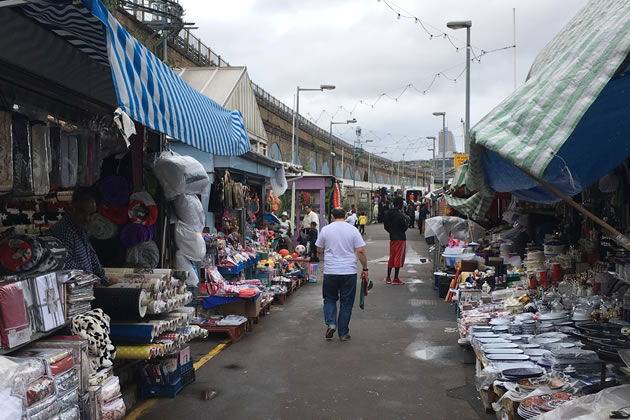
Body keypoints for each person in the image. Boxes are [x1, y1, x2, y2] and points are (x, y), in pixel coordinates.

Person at [315, 207, 367, 341]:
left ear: (332, 216)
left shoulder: (325, 229)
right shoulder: (353, 230)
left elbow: (319, 250)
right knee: (346, 302)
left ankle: (331, 323)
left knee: (329, 298)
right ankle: (343, 333)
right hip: (349, 271)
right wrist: (365, 269)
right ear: (345, 216)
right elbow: (360, 251)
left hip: (331, 271)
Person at [49, 188, 116, 286]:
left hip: (83, 287)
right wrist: (91, 279)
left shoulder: (80, 229)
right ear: (72, 208)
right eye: (82, 212)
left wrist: (103, 280)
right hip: (71, 291)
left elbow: (92, 258)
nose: (87, 218)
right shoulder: (64, 232)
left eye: (91, 214)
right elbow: (66, 265)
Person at [383, 196, 408, 285]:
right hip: (400, 238)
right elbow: (404, 227)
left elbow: (385, 226)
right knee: (398, 257)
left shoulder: (387, 213)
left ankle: (388, 277)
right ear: (401, 204)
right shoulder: (400, 215)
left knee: (392, 256)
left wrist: (391, 232)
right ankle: (396, 278)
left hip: (392, 237)